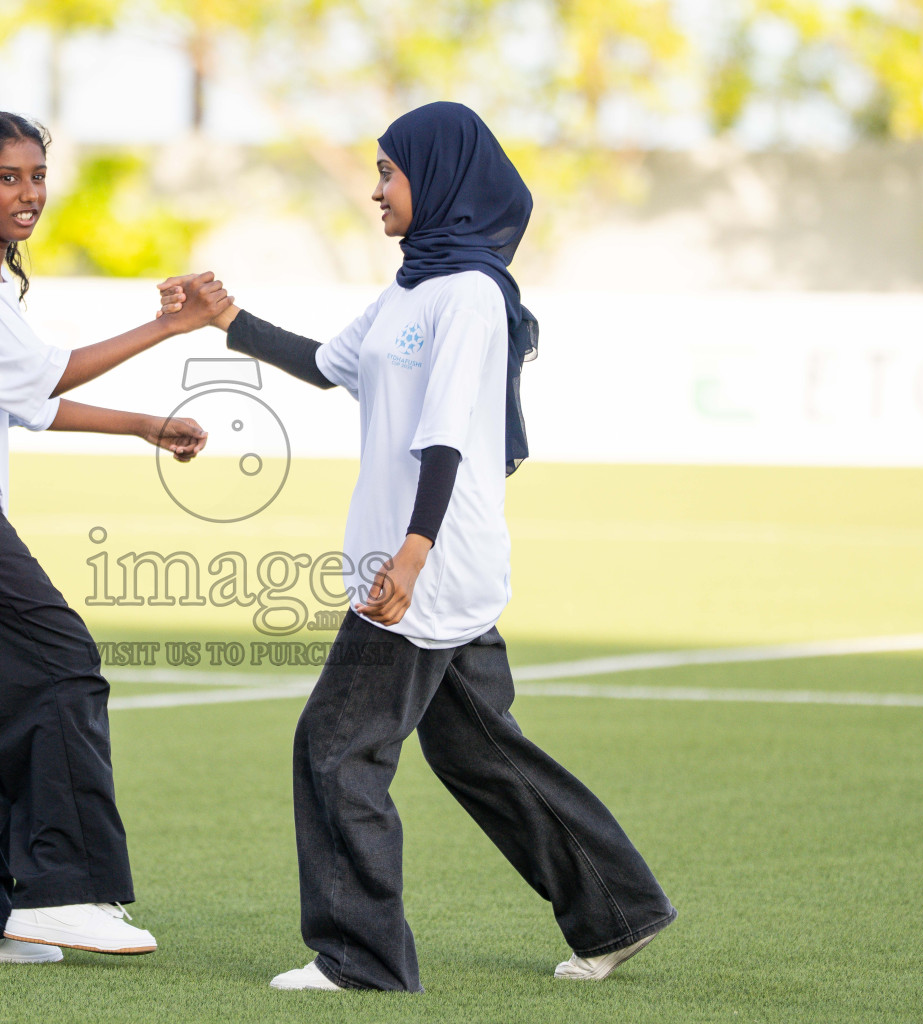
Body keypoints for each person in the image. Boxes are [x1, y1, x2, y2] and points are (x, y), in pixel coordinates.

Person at [160, 101, 676, 992]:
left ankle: (361, 960)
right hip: (413, 563)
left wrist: (411, 554)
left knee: (334, 746)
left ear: (436, 178)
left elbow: (446, 438)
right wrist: (228, 318)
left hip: (424, 567)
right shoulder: (413, 286)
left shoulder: (471, 295)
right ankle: (617, 910)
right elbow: (332, 364)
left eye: (389, 173)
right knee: (480, 749)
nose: (374, 190)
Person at [0, 110, 231, 966]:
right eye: (7, 178)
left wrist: (143, 423)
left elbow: (28, 398)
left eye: (36, 176)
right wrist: (169, 328)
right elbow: (42, 378)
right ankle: (64, 892)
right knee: (60, 662)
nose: (29, 194)